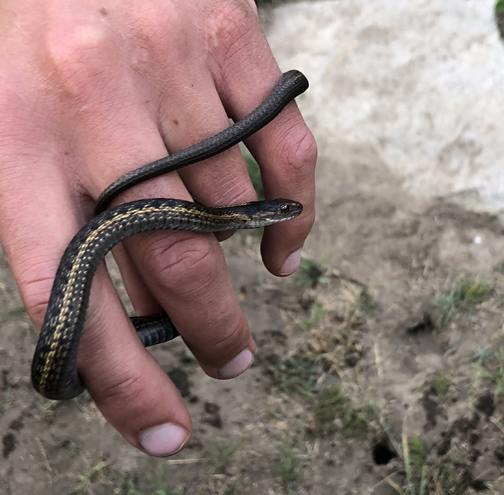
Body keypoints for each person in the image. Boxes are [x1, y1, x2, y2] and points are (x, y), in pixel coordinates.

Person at [0, 0, 316, 457]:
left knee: (180, 263)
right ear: (259, 216)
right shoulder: (223, 216)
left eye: (282, 213)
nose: (283, 214)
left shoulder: (220, 217)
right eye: (280, 212)